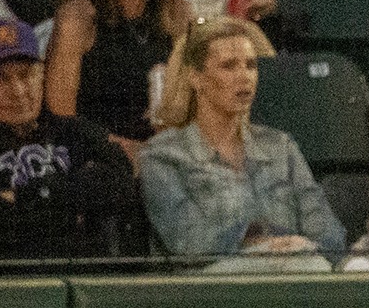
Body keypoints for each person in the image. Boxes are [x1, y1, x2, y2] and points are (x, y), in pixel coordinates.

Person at [0, 19, 144, 262]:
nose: (18, 90)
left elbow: (122, 183)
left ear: (42, 76)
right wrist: (73, 202)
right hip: (2, 288)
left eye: (26, 75)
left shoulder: (73, 132)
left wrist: (21, 198)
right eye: (0, 79)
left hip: (87, 281)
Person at [140, 17, 346, 268]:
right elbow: (188, 243)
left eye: (251, 65)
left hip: (294, 267)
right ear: (197, 78)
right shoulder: (164, 155)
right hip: (212, 288)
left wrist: (303, 247)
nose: (244, 77)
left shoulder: (280, 146)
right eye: (228, 66)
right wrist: (256, 240)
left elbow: (328, 231)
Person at [43, 0, 195, 163]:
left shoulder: (179, 14)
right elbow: (60, 117)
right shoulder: (79, 17)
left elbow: (196, 104)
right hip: (96, 161)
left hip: (167, 158)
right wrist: (128, 151)